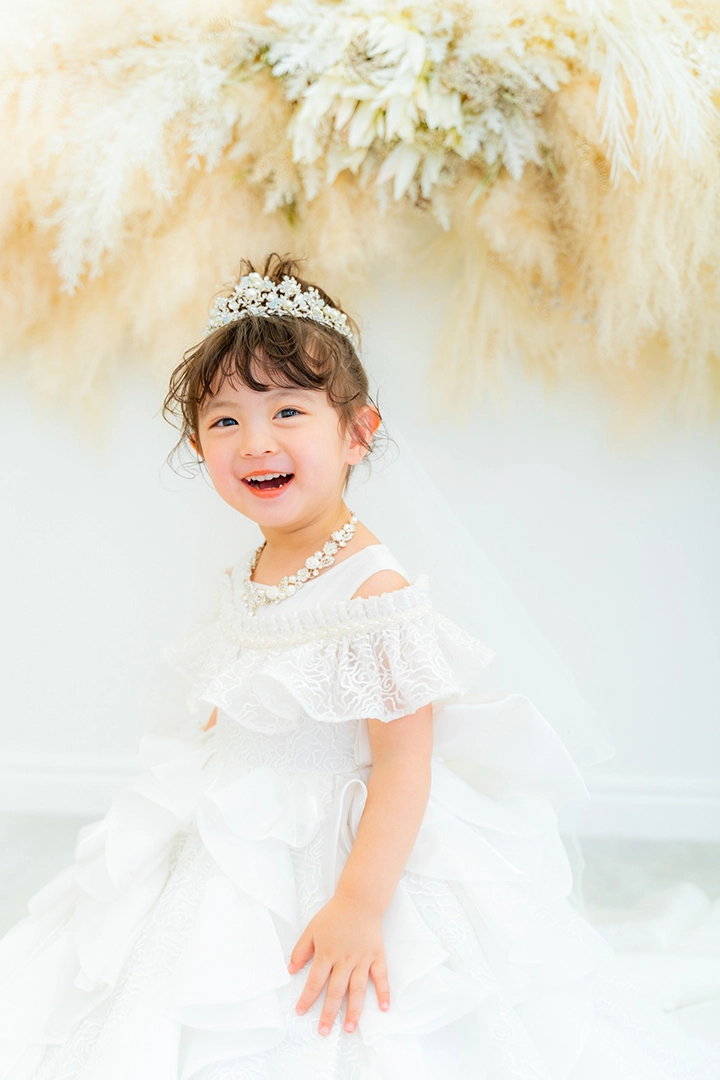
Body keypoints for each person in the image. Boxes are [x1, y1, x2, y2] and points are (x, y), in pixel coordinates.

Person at [0, 254, 716, 1080]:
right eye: (224, 421)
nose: (255, 441)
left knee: (351, 1018)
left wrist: (358, 903)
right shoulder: (256, 563)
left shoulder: (375, 590)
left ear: (357, 432)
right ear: (197, 444)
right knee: (149, 975)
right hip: (239, 825)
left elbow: (405, 762)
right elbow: (255, 677)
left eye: (287, 411)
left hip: (349, 842)